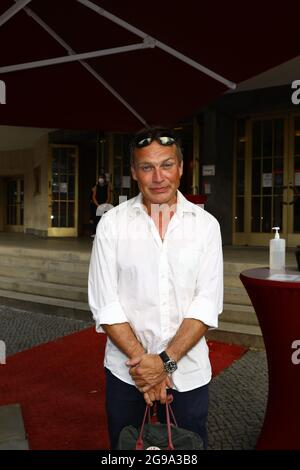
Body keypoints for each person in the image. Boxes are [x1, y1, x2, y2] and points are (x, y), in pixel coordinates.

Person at [88, 127, 223, 449]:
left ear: (180, 167)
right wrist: (145, 365)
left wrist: (164, 363)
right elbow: (105, 303)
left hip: (188, 371)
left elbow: (206, 303)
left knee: (188, 451)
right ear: (134, 172)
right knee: (125, 449)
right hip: (127, 372)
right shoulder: (112, 223)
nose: (158, 176)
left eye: (166, 165)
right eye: (147, 167)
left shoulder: (205, 226)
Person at [90, 173, 110, 237]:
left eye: (102, 178)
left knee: (103, 219)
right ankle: (95, 233)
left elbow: (108, 197)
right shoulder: (96, 186)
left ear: (104, 179)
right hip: (97, 205)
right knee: (96, 219)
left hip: (104, 205)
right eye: (99, 178)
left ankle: (103, 233)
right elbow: (93, 197)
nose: (100, 179)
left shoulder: (107, 186)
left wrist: (104, 205)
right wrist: (98, 205)